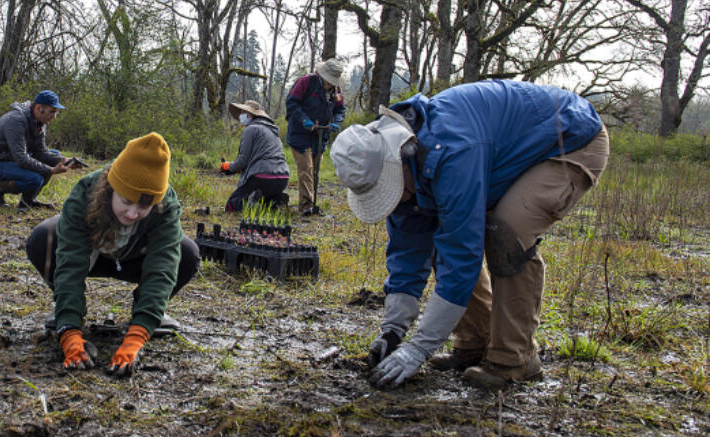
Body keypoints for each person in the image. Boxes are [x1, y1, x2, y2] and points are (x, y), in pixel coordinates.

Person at [329, 80, 610, 391]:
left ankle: (515, 360)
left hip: (569, 140)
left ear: (399, 158)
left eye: (390, 187)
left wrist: (418, 349)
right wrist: (393, 330)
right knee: (441, 238)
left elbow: (462, 253)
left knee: (507, 231)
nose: (395, 197)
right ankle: (474, 342)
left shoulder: (452, 151)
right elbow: (407, 252)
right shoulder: (405, 163)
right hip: (506, 155)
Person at [25, 133, 199, 376]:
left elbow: (164, 264)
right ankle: (69, 309)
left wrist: (137, 336)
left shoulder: (167, 204)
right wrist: (69, 331)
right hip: (91, 256)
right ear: (111, 188)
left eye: (143, 207)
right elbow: (70, 261)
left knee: (187, 252)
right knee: (43, 238)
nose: (132, 213)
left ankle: (148, 313)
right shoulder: (86, 192)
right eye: (126, 201)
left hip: (135, 259)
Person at [0, 90, 79, 210]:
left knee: (55, 155)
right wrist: (50, 169)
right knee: (35, 178)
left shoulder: (40, 122)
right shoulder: (16, 120)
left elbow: (41, 153)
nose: (54, 117)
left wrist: (65, 160)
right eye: (52, 112)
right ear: (38, 108)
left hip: (11, 159)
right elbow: (21, 158)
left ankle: (28, 202)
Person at [285, 58, 346, 216]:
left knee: (316, 170)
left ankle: (312, 202)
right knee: (306, 169)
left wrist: (336, 122)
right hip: (300, 133)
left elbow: (340, 110)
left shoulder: (336, 90)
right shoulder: (306, 82)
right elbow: (291, 103)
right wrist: (304, 119)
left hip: (320, 134)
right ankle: (306, 206)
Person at [220, 100, 290, 211]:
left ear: (250, 114)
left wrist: (228, 166)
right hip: (283, 178)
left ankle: (250, 203)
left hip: (261, 177)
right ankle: (275, 201)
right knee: (262, 196)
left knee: (231, 204)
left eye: (243, 112)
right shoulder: (273, 130)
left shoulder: (251, 129)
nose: (241, 115)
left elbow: (242, 161)